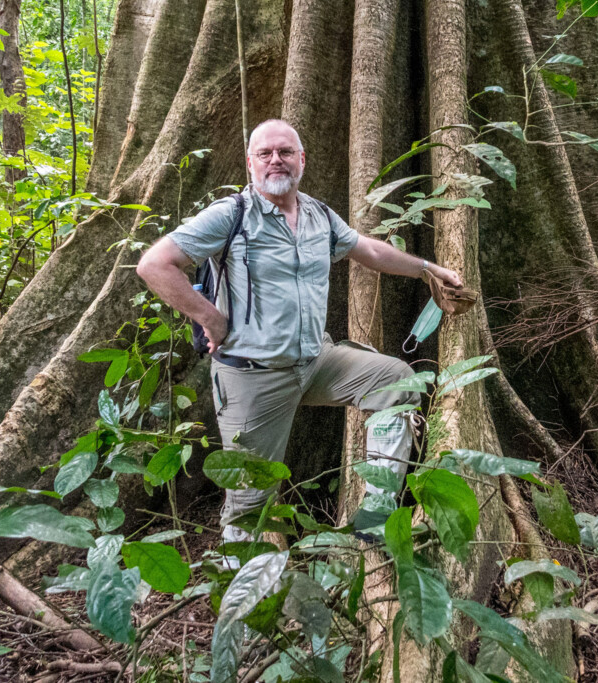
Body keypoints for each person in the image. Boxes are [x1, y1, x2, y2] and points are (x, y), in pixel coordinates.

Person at [136, 119, 463, 559]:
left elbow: (367, 250)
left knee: (397, 381)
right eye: (265, 153)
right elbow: (154, 264)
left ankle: (375, 515)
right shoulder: (231, 215)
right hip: (253, 378)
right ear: (249, 162)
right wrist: (208, 316)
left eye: (286, 151)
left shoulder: (318, 215)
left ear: (302, 159)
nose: (276, 160)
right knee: (249, 502)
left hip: (315, 362)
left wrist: (428, 269)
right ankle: (244, 609)